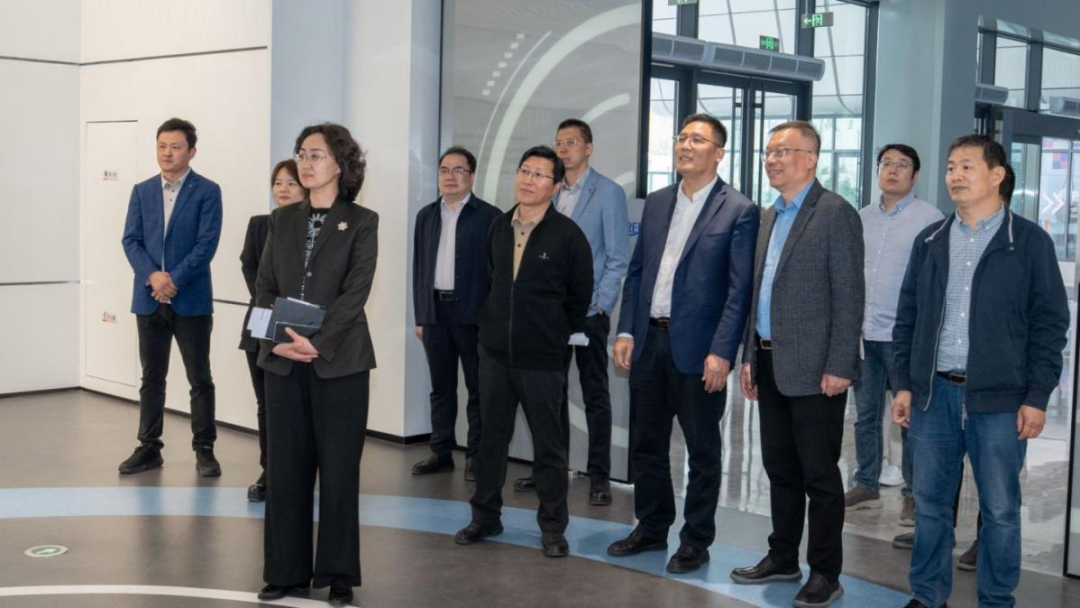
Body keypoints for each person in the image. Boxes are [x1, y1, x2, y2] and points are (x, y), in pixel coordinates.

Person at [893, 137, 1065, 608]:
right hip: (934, 397)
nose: (956, 175)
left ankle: (996, 599)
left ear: (997, 175)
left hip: (1001, 401)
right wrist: (904, 385)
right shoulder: (931, 240)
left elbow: (1050, 325)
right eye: (951, 167)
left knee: (1001, 511)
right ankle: (928, 596)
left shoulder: (1028, 242)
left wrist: (1037, 396)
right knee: (930, 507)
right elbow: (907, 318)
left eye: (968, 166)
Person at [605, 113, 758, 574]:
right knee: (647, 444)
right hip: (649, 341)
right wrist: (627, 330)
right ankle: (652, 527)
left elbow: (739, 291)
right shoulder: (656, 203)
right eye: (682, 137)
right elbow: (637, 273)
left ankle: (695, 541)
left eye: (698, 139)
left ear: (719, 153)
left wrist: (723, 351)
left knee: (702, 452)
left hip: (700, 350)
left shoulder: (739, 209)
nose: (686, 146)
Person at [731, 121, 863, 608]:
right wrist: (750, 354)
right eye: (769, 152)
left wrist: (840, 364)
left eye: (783, 151)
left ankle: (825, 571)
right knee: (779, 468)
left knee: (819, 475)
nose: (772, 160)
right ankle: (783, 556)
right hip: (768, 361)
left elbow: (849, 296)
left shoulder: (835, 213)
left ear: (811, 158)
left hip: (817, 369)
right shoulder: (770, 215)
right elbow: (759, 294)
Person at [255, 123, 378, 608]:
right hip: (283, 361)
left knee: (340, 472)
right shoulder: (281, 219)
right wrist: (275, 342)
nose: (306, 164)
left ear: (342, 164)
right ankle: (284, 572)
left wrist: (318, 343)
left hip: (339, 363)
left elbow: (355, 292)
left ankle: (339, 574)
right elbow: (264, 287)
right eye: (302, 154)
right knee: (285, 470)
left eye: (317, 155)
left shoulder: (362, 221)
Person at [455, 146, 593, 558]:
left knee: (549, 448)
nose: (528, 180)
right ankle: (485, 517)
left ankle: (552, 527)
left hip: (542, 359)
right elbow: (490, 280)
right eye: (524, 171)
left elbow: (579, 298)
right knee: (490, 442)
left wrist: (552, 333)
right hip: (495, 355)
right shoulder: (498, 226)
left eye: (539, 174)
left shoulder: (568, 235)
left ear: (556, 185)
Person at [514, 118, 630, 505]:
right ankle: (551, 469)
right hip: (549, 315)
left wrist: (601, 304)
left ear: (588, 148)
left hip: (589, 313)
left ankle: (599, 476)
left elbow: (617, 257)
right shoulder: (549, 190)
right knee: (550, 393)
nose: (563, 149)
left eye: (572, 142)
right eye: (559, 142)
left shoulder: (607, 192)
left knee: (595, 395)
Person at [119, 117, 223, 477]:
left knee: (199, 378)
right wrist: (153, 276)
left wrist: (173, 279)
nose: (167, 153)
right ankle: (149, 447)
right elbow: (130, 240)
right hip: (149, 299)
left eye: (175, 147)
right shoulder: (142, 191)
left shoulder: (207, 191)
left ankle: (204, 449)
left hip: (190, 298)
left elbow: (206, 244)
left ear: (191, 151)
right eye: (162, 146)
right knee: (151, 378)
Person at [846, 144, 943, 522]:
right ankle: (866, 483)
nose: (892, 170)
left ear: (915, 176)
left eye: (902, 165)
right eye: (886, 163)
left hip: (905, 337)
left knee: (910, 418)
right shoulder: (862, 217)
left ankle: (913, 494)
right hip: (865, 334)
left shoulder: (930, 219)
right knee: (866, 415)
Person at [412, 146, 501, 481]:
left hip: (474, 316)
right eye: (444, 170)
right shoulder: (426, 216)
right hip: (435, 313)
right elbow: (419, 268)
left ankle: (476, 456)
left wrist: (491, 318)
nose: (450, 177)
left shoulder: (490, 217)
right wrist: (420, 315)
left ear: (472, 176)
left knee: (479, 389)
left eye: (458, 170)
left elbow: (497, 273)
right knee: (441, 387)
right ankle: (441, 451)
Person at [238, 159, 307, 502]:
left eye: (291, 183)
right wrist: (270, 304)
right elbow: (250, 267)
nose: (283, 189)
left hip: (303, 323)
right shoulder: (260, 224)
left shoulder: (315, 228)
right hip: (262, 317)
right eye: (278, 182)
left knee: (298, 405)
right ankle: (270, 470)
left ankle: (301, 469)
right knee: (266, 403)